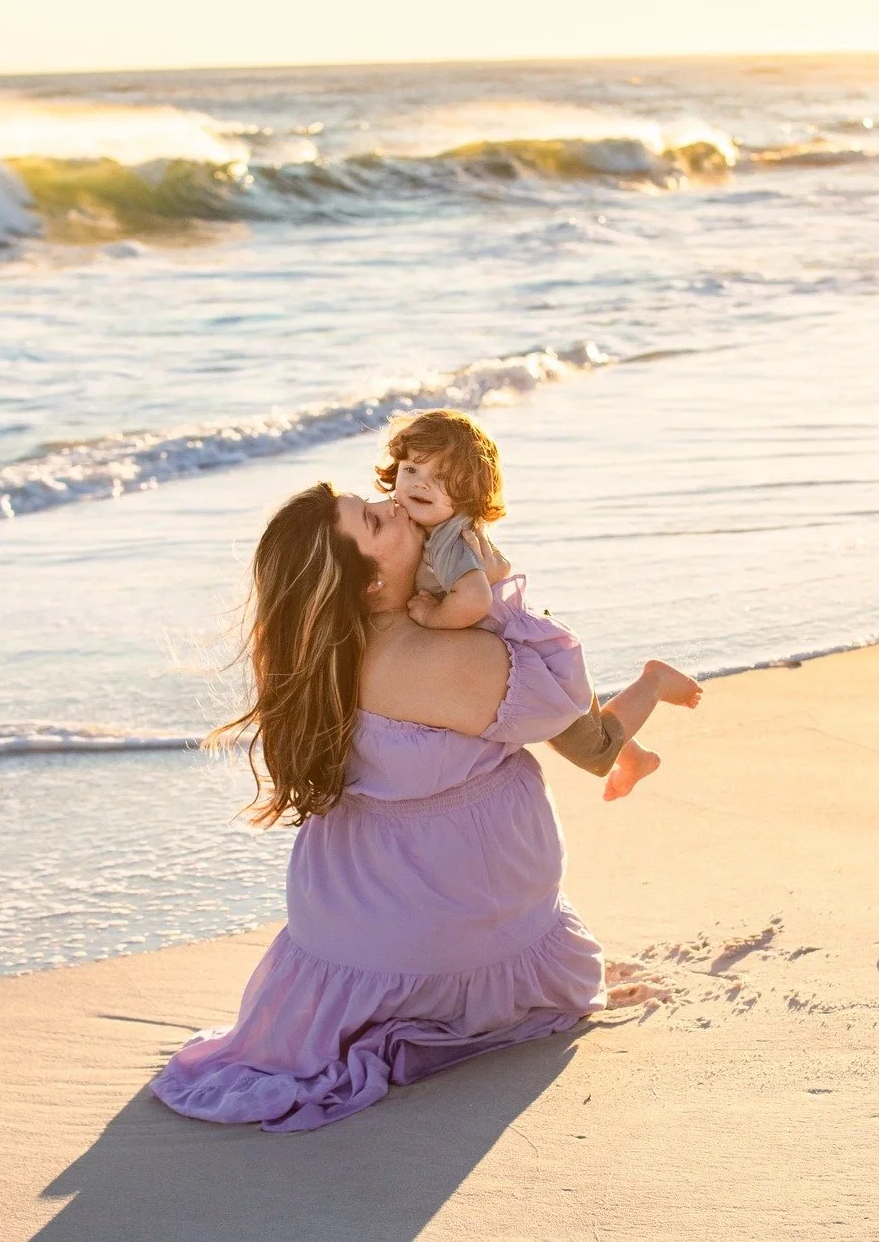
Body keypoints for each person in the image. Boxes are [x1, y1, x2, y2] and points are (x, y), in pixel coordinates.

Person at [148, 482, 611, 1131]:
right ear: (368, 583)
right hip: (446, 946)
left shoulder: (329, 660)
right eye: (375, 518)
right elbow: (561, 693)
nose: (396, 504)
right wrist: (489, 578)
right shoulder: (425, 656)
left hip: (339, 948)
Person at [375, 408, 702, 800]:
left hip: (528, 658)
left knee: (592, 750)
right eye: (412, 469)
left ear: (469, 491)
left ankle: (654, 682)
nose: (420, 484)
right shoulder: (433, 524)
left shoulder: (449, 539)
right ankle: (635, 759)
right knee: (571, 724)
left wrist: (431, 615)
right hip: (529, 643)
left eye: (441, 477)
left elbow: (475, 601)